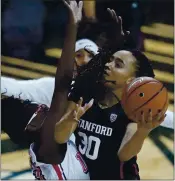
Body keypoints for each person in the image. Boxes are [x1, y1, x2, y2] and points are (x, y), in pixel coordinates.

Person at [54, 36, 170, 179]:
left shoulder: (133, 109)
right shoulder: (86, 95)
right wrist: (70, 120)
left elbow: (124, 155)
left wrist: (143, 131)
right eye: (110, 60)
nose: (108, 65)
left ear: (131, 80)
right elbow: (59, 138)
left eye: (118, 65)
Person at [2, 1, 92, 180]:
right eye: (36, 109)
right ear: (32, 127)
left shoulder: (58, 141)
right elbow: (62, 84)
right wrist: (72, 26)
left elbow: (62, 89)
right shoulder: (48, 150)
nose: (43, 107)